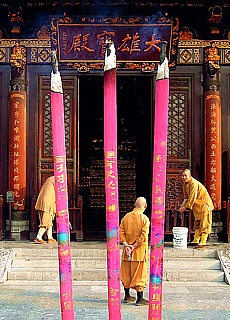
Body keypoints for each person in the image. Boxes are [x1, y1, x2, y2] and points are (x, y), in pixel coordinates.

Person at [119, 197, 150, 306]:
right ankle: (140, 299)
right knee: (139, 275)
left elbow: (120, 232)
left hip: (126, 252)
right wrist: (134, 246)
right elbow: (143, 237)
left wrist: (127, 245)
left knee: (126, 273)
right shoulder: (144, 219)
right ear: (145, 206)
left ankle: (127, 296)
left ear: (134, 205)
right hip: (139, 252)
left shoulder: (126, 217)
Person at [178, 169, 214, 249]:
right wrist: (181, 207)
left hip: (204, 204)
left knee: (205, 223)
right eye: (182, 175)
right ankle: (196, 239)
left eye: (185, 175)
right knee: (197, 222)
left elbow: (192, 198)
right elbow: (186, 198)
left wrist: (184, 207)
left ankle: (203, 240)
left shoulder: (193, 183)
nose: (184, 177)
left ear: (190, 175)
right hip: (197, 206)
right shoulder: (185, 184)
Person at [34, 176, 57, 244]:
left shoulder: (49, 179)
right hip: (48, 203)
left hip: (41, 202)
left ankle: (50, 237)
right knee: (46, 222)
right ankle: (38, 237)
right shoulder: (57, 180)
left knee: (48, 221)